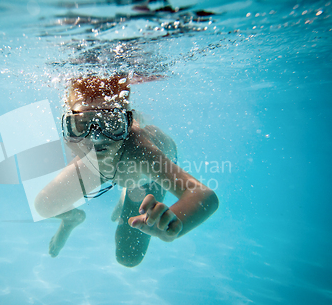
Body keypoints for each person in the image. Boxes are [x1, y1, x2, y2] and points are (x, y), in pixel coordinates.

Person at [34, 75, 218, 267]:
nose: (96, 138)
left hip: (144, 176)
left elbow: (205, 196)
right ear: (70, 124)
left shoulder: (141, 151)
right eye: (82, 124)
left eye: (111, 122)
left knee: (129, 256)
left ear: (127, 124)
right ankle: (72, 218)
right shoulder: (86, 144)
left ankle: (129, 190)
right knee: (43, 206)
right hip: (111, 166)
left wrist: (174, 222)